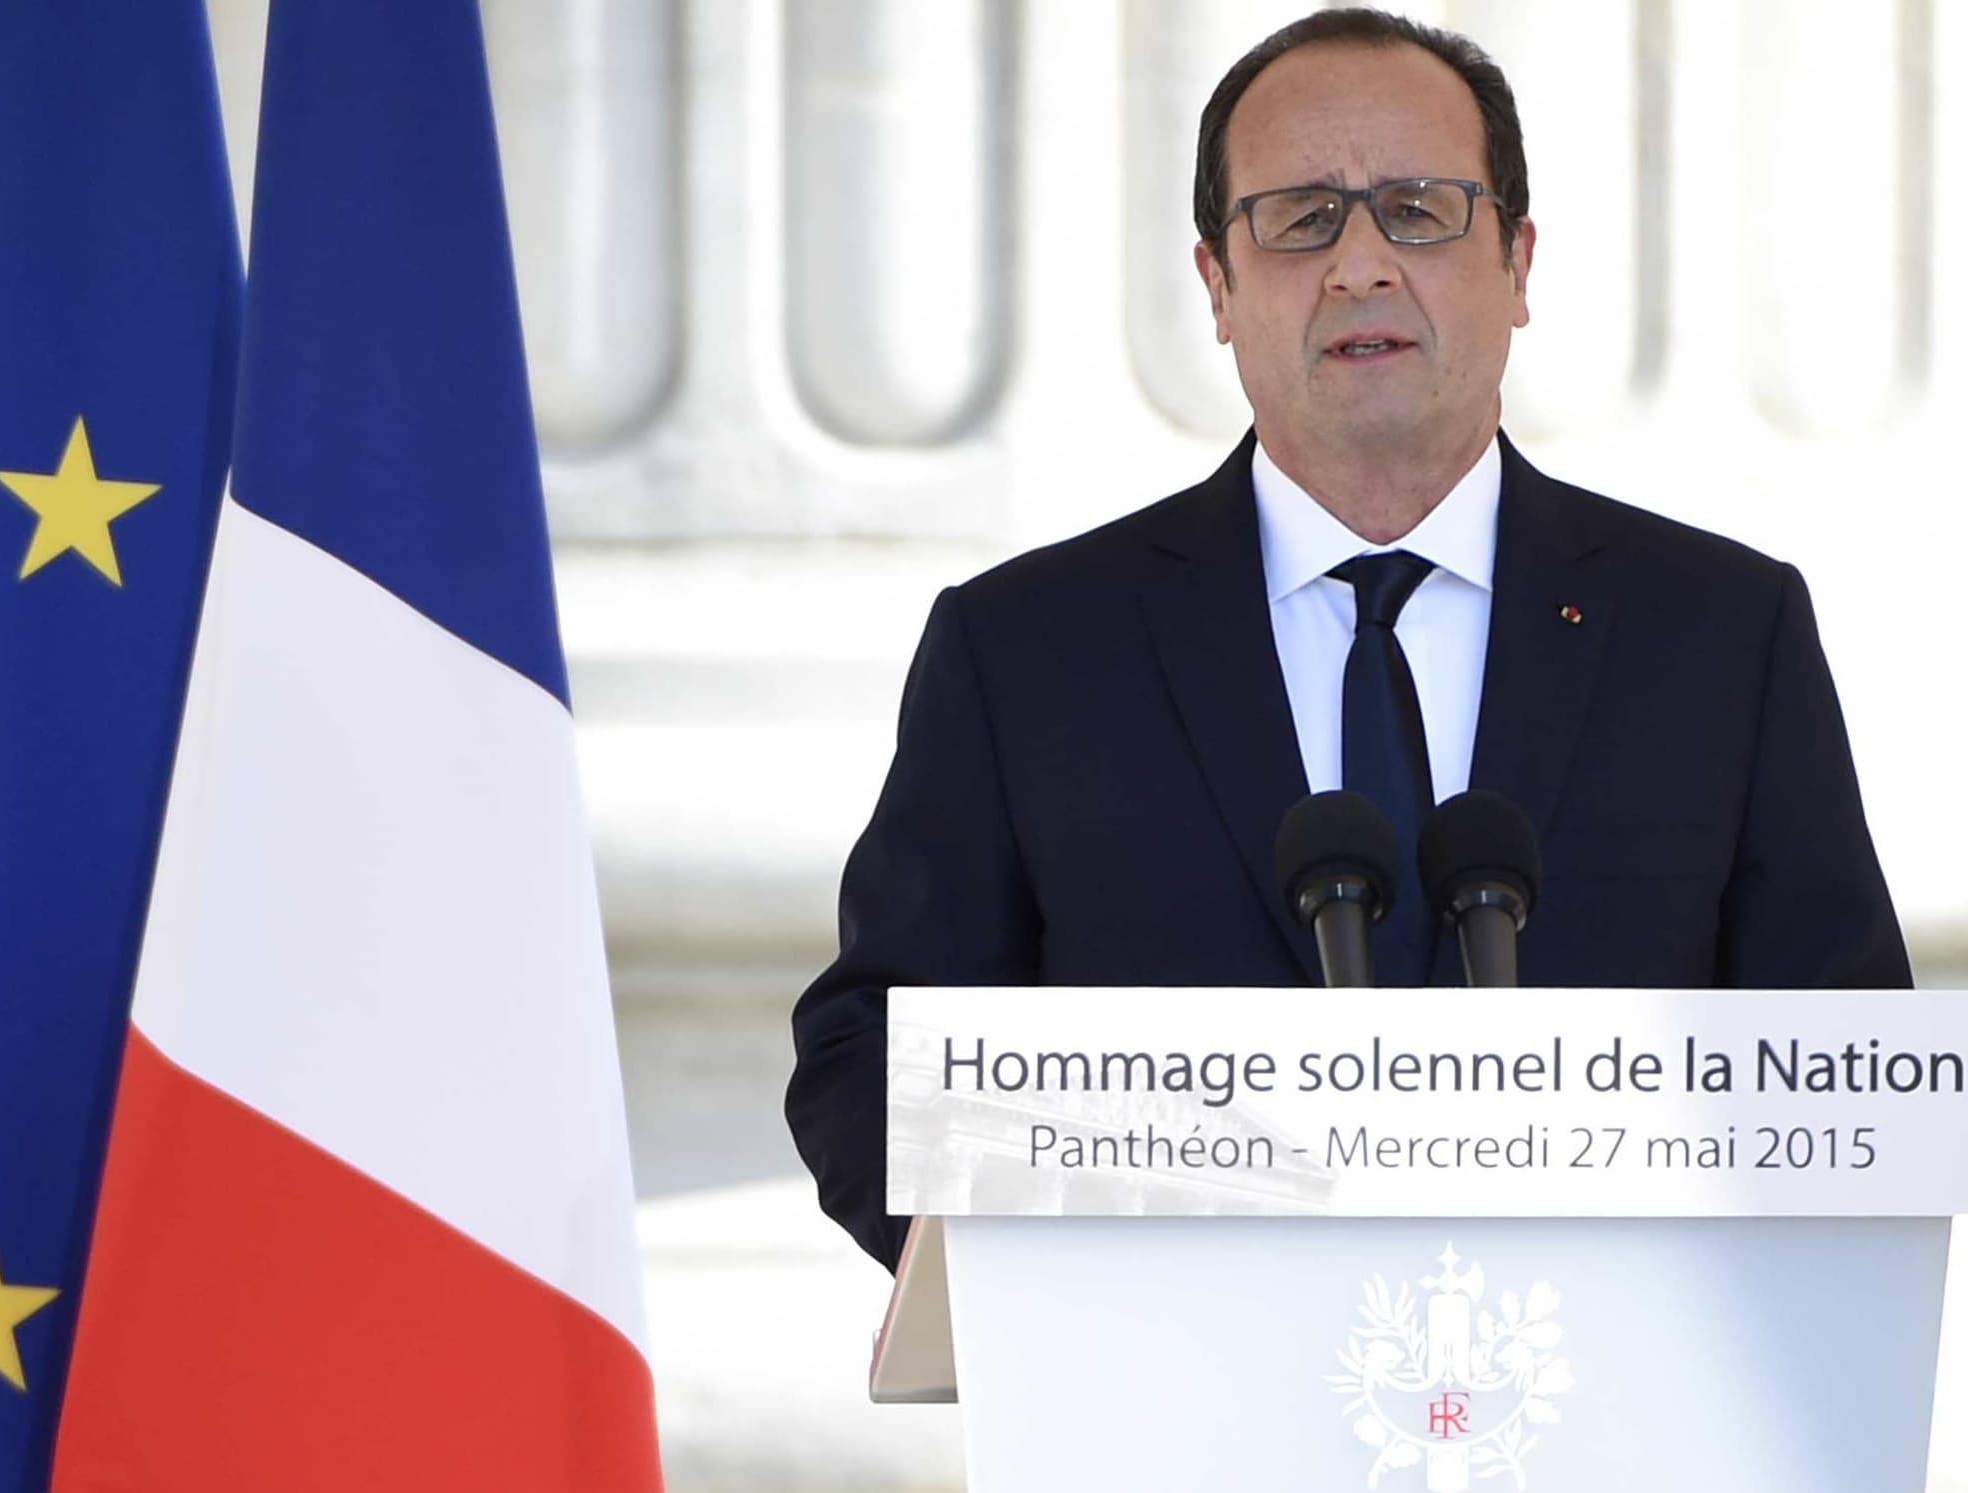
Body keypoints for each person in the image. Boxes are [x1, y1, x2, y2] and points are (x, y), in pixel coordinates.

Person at [784, 8, 1908, 1272]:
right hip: (1175, 1411)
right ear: (1216, 284)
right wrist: (1112, 1231)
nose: (1361, 265)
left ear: (1519, 264)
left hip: (1604, 1430)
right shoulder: (1028, 652)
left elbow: (1846, 1068)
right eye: (1302, 217)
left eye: (1419, 209)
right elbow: (866, 1061)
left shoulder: (1719, 637)